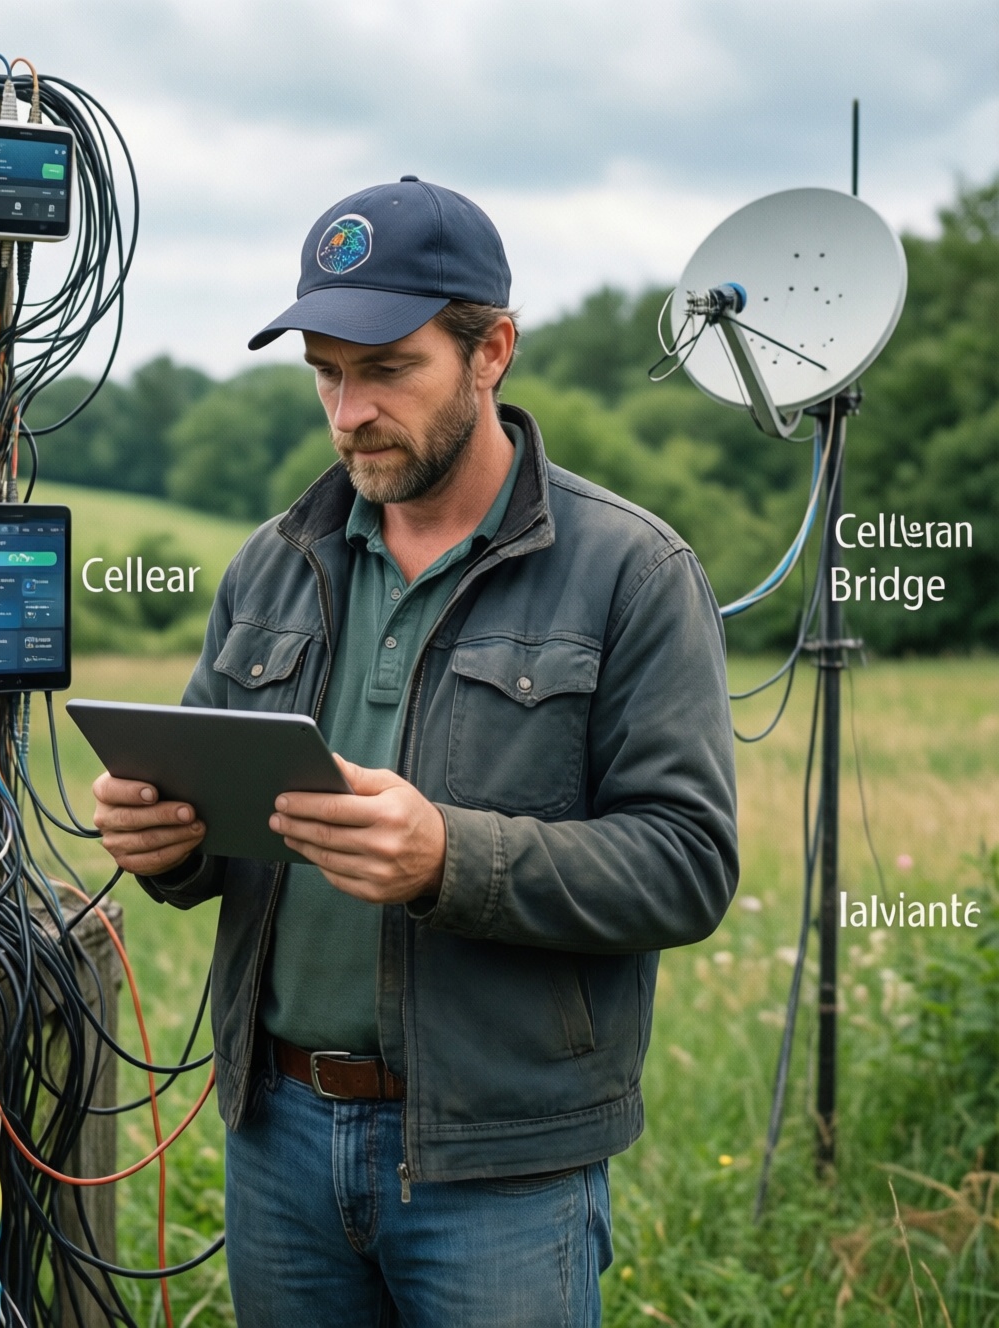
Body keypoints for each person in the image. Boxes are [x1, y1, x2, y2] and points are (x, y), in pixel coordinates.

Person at [93, 177, 739, 1326]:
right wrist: (162, 843)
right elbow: (214, 831)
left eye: (387, 368)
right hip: (276, 1135)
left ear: (491, 349)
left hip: (497, 1162)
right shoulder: (271, 561)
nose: (348, 411)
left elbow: (684, 863)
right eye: (326, 375)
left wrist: (450, 857)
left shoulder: (630, 572)